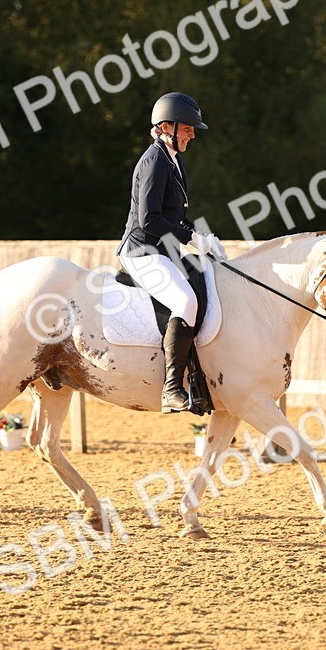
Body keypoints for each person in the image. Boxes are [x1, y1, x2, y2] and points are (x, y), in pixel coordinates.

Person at [116, 92, 225, 413]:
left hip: (163, 250)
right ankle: (172, 388)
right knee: (185, 301)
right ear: (166, 126)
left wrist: (200, 235)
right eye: (188, 129)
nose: (192, 134)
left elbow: (175, 215)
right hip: (141, 251)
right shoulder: (153, 161)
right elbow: (149, 220)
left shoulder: (174, 161)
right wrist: (191, 237)